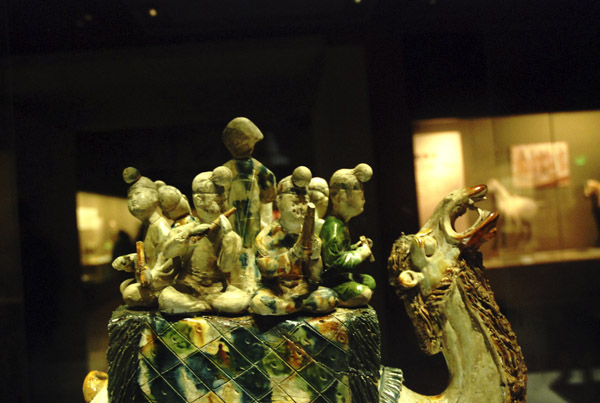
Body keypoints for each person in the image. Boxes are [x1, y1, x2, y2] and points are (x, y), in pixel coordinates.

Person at [158, 167, 249, 314]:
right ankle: (201, 306)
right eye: (218, 200)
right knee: (166, 297)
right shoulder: (185, 229)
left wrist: (229, 237)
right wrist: (187, 235)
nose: (222, 206)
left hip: (217, 290)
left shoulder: (228, 234)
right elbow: (168, 253)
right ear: (198, 200)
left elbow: (226, 267)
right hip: (187, 288)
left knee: (241, 300)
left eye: (224, 200)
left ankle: (201, 306)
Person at [250, 167, 338, 315]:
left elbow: (316, 278)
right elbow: (266, 269)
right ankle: (295, 307)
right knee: (259, 302)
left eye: (304, 202)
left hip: (302, 290)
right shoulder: (267, 235)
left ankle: (292, 307)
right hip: (276, 290)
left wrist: (316, 257)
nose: (300, 207)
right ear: (278, 201)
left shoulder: (310, 235)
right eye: (294, 201)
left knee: (330, 296)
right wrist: (293, 254)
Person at [112, 167, 174, 307]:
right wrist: (129, 260)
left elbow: (170, 260)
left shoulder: (160, 226)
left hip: (160, 284)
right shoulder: (149, 227)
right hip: (151, 280)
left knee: (130, 293)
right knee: (125, 287)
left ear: (154, 197)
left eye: (138, 194)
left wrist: (152, 276)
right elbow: (148, 258)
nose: (133, 200)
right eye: (130, 197)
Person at [320, 163, 376, 307]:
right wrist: (360, 253)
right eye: (357, 188)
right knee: (364, 293)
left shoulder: (341, 224)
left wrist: (355, 247)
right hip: (331, 280)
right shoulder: (333, 226)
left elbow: (341, 251)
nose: (362, 195)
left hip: (342, 277)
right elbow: (335, 261)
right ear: (339, 197)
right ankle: (335, 301)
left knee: (369, 282)